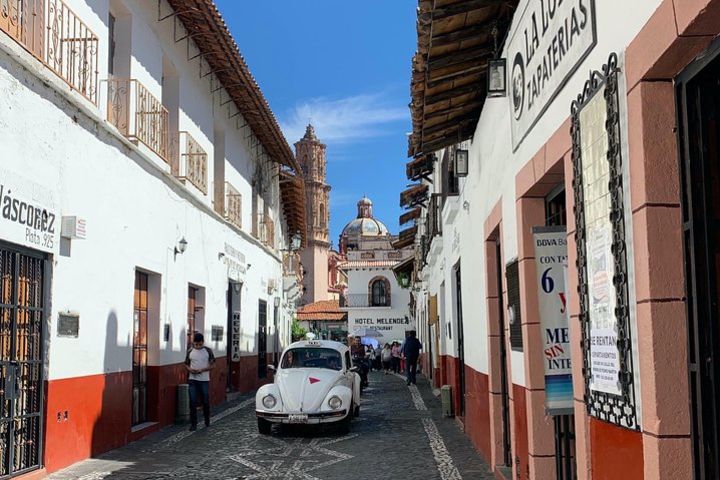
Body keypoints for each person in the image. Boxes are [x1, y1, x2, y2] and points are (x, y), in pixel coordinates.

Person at [185, 332, 216, 431]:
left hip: (204, 380)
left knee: (205, 401)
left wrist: (202, 370)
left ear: (203, 342)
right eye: (196, 344)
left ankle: (207, 420)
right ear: (193, 343)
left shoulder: (208, 351)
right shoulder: (190, 351)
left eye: (200, 344)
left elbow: (213, 365)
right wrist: (190, 370)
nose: (198, 346)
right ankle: (193, 424)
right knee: (192, 401)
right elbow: (186, 364)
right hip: (192, 379)